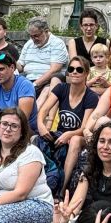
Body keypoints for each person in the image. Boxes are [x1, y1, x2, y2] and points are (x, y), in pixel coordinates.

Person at [36, 55, 98, 194]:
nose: (74, 72)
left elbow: (84, 128)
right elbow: (43, 110)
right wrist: (41, 125)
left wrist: (69, 134)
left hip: (81, 137)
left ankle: (61, 189)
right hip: (60, 134)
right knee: (36, 140)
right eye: (71, 69)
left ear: (86, 73)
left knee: (75, 140)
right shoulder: (61, 88)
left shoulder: (91, 97)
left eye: (79, 69)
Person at [69, 122, 111, 214]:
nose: (105, 147)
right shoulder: (89, 172)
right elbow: (73, 208)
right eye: (101, 141)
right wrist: (67, 216)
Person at [0, 52, 36, 128]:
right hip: (1, 125)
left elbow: (21, 120)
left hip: (24, 130)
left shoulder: (25, 85)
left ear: (12, 68)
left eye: (1, 69)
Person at [18, 17, 69, 94]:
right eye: (31, 36)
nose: (33, 39)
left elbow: (54, 70)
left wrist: (34, 84)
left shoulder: (57, 43)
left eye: (36, 36)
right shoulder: (29, 44)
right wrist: (11, 61)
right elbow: (20, 67)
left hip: (48, 82)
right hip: (27, 80)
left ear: (46, 31)